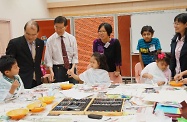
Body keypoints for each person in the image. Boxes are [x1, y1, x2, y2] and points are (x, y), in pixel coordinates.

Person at [6, 20, 44, 89]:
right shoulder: (15, 43)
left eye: (33, 35)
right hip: (22, 80)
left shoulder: (40, 43)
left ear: (38, 33)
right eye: (28, 34)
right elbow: (8, 63)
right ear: (24, 31)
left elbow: (37, 62)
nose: (30, 37)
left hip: (37, 79)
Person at [44, 16, 78, 84]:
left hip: (70, 68)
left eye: (61, 28)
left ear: (66, 27)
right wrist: (51, 71)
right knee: (58, 89)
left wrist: (73, 68)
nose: (58, 30)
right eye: (56, 27)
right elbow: (48, 57)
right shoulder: (50, 40)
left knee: (73, 88)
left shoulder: (71, 38)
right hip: (57, 69)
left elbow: (75, 56)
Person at [170, 13, 187, 79]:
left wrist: (183, 73)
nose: (175, 26)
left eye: (178, 24)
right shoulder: (175, 40)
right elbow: (172, 59)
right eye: (174, 23)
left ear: (186, 24)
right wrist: (170, 74)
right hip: (176, 76)